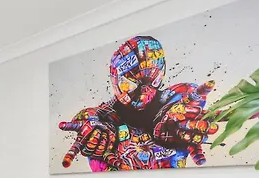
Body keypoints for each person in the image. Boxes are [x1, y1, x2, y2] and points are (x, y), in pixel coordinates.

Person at [58, 36, 219, 171]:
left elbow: (185, 95)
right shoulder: (106, 116)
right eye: (131, 84)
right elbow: (92, 116)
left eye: (154, 81)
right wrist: (93, 129)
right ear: (115, 80)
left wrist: (179, 118)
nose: (144, 95)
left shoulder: (173, 102)